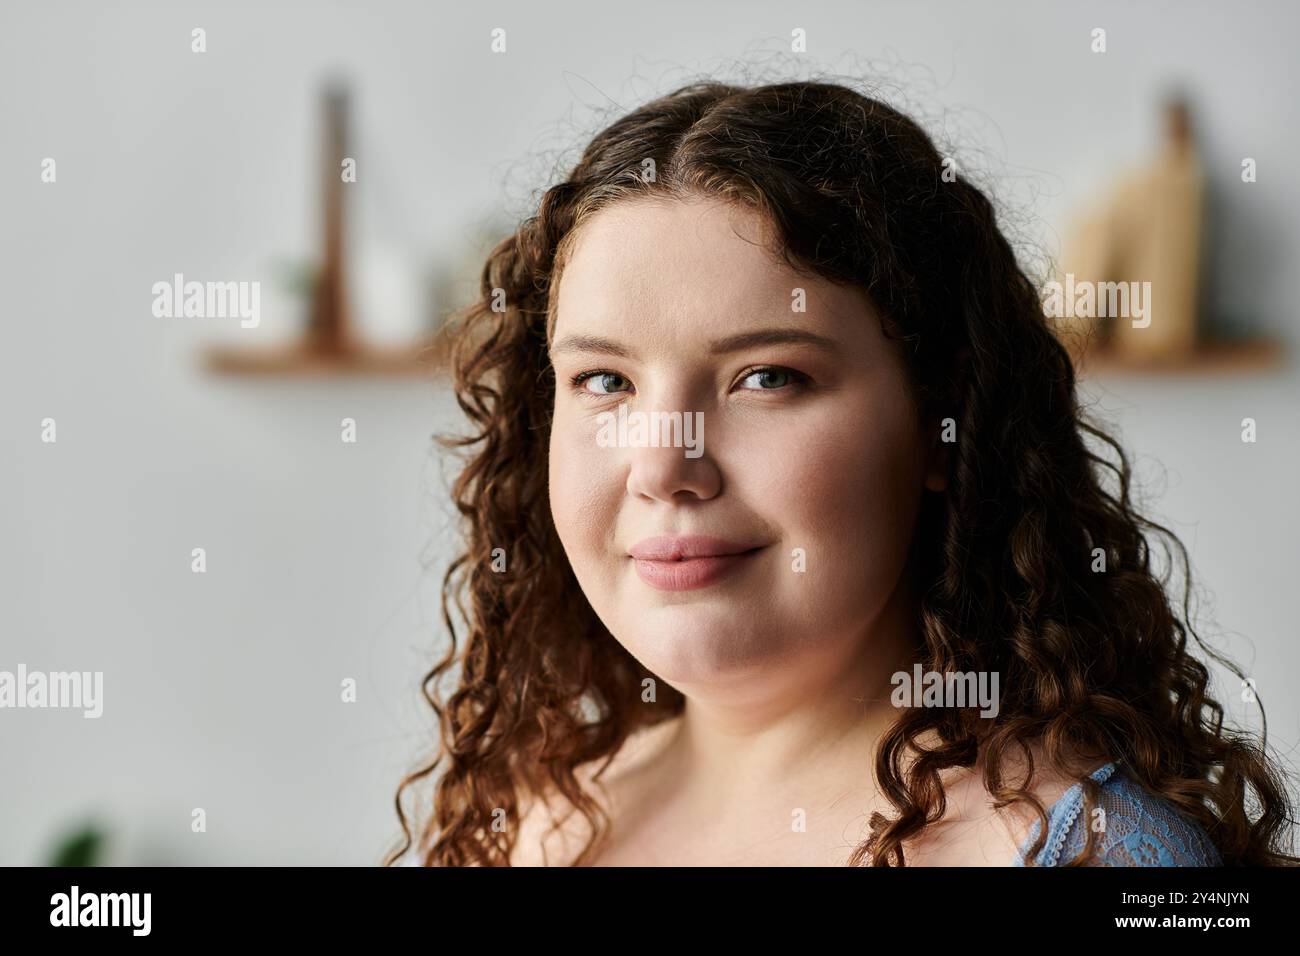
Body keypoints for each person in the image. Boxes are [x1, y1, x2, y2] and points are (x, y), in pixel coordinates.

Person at [386, 80, 1295, 867]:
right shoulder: (528, 826)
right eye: (604, 381)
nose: (664, 464)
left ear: (946, 423)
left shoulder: (1094, 855)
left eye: (768, 377)